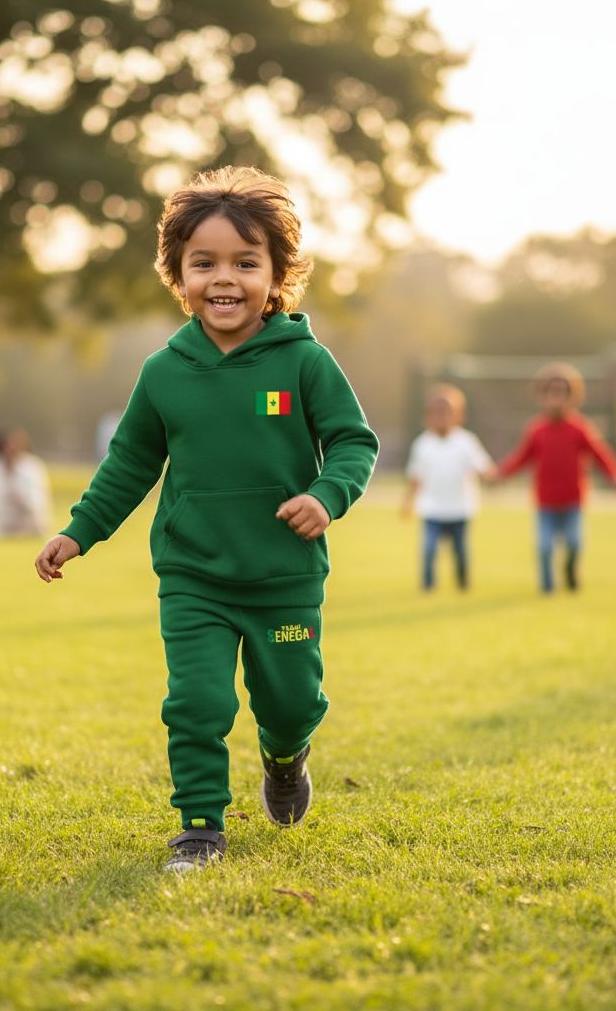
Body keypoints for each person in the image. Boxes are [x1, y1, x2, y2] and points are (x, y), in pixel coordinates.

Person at [34, 166, 379, 873]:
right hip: (195, 577)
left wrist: (326, 495)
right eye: (205, 263)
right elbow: (129, 465)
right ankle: (199, 828)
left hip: (284, 575)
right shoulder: (164, 372)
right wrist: (78, 532)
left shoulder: (306, 363)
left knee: (288, 703)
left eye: (246, 263)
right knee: (195, 702)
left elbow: (353, 441)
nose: (225, 279)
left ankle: (286, 758)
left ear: (278, 275)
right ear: (178, 274)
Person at [496, 363, 616, 592]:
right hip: (546, 502)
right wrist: (501, 474)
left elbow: (599, 453)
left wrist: (614, 474)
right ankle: (547, 586)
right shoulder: (536, 430)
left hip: (572, 501)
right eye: (551, 394)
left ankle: (569, 572)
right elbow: (521, 458)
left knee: (575, 544)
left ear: (572, 397)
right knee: (545, 547)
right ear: (542, 397)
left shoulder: (580, 429)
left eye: (562, 394)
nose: (556, 399)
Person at [401, 384, 495, 591]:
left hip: (460, 509)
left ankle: (463, 584)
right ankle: (428, 587)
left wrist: (495, 477)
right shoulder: (422, 444)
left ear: (458, 416)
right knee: (429, 550)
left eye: (446, 413)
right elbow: (416, 477)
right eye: (436, 414)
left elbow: (483, 467)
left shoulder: (466, 442)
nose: (441, 418)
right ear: (427, 417)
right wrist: (408, 502)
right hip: (432, 509)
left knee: (460, 551)